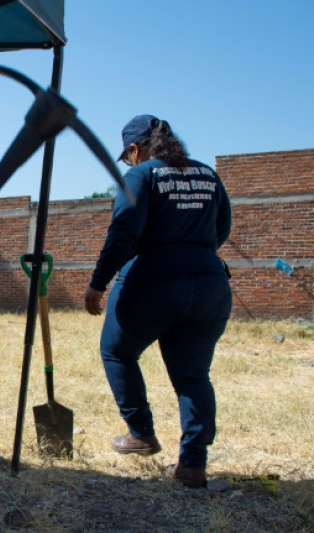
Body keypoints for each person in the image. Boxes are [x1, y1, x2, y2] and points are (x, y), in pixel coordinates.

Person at [84, 115, 232, 489]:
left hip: (152, 282)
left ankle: (141, 433)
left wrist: (97, 285)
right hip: (210, 284)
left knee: (116, 351)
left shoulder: (141, 175)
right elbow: (222, 228)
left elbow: (123, 233)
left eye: (127, 156)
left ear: (135, 149)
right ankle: (193, 465)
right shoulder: (207, 175)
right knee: (193, 376)